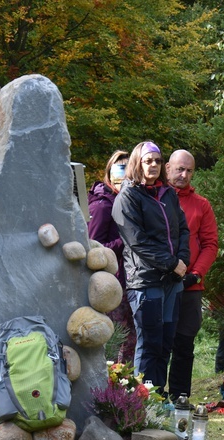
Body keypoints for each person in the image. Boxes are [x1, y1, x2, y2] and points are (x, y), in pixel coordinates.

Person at [111, 141, 190, 393]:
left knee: (166, 342)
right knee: (150, 343)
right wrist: (172, 263)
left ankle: (158, 396)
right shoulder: (128, 197)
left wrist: (183, 260)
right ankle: (143, 401)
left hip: (172, 282)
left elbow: (183, 230)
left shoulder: (167, 194)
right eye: (148, 161)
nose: (154, 165)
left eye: (157, 161)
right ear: (138, 163)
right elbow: (137, 241)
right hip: (146, 281)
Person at [164, 149, 219, 399]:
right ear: (167, 168)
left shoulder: (201, 205)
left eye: (189, 171)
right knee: (157, 344)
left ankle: (179, 399)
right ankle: (150, 396)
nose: (184, 175)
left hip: (190, 287)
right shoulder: (154, 198)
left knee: (184, 345)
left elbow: (210, 244)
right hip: (158, 283)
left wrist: (196, 274)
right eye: (179, 169)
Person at [86, 150, 138, 363]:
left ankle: (128, 389)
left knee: (132, 337)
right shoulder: (102, 205)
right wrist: (126, 241)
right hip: (111, 284)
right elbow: (94, 247)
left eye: (129, 169)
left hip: (131, 280)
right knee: (115, 337)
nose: (125, 175)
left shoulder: (128, 202)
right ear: (109, 172)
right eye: (120, 169)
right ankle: (112, 389)